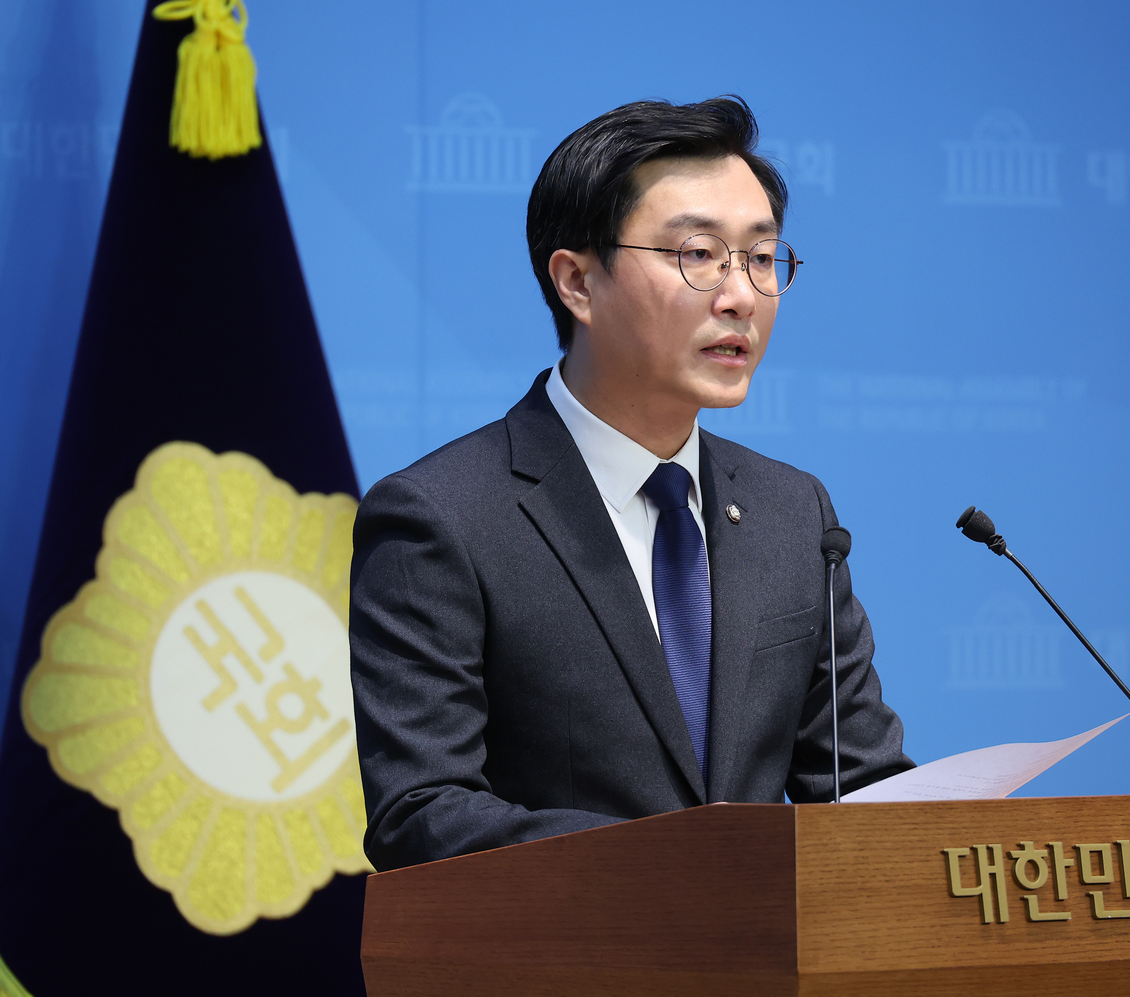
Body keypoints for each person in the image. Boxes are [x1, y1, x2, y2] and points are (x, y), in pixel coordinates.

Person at [350, 96, 912, 871]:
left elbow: (859, 783)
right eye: (698, 254)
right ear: (577, 282)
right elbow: (422, 814)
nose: (739, 296)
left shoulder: (792, 512)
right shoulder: (443, 517)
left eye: (760, 257)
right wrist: (677, 865)